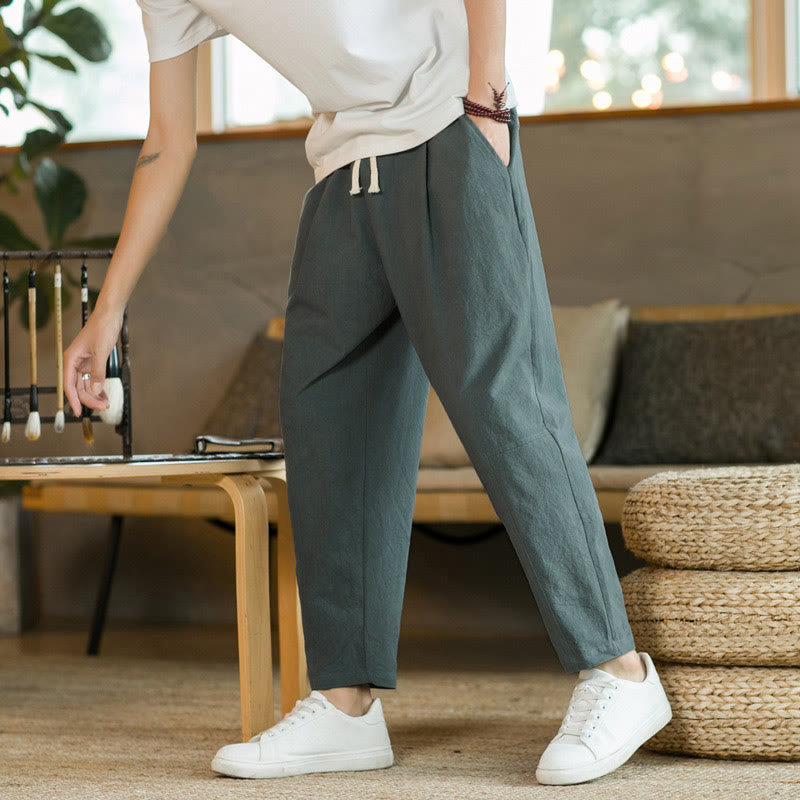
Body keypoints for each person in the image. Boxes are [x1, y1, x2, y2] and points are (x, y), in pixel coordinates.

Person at [63, 0, 673, 786]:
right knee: (329, 421)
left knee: (503, 400)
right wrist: (105, 314)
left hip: (449, 123)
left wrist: (487, 108)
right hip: (342, 168)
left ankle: (620, 674)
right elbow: (167, 141)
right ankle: (347, 705)